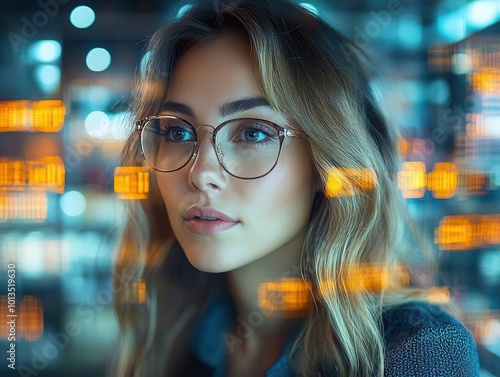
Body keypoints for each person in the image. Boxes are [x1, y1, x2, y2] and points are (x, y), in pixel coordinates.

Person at [110, 0, 479, 375]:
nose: (201, 172)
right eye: (178, 131)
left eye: (253, 133)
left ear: (326, 161)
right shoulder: (174, 326)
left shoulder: (415, 352)